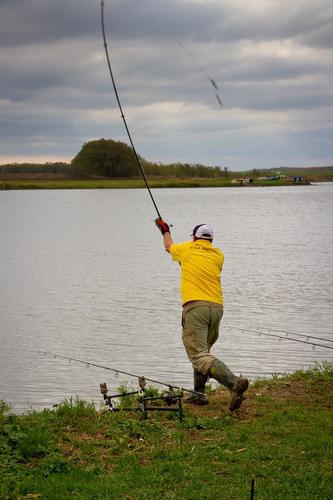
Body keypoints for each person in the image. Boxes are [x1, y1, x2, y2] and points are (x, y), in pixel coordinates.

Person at [155, 219, 249, 411]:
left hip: (196, 307)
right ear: (211, 240)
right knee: (203, 351)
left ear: (194, 237)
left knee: (199, 355)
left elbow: (168, 246)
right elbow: (200, 264)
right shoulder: (219, 255)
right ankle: (199, 394)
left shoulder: (187, 249)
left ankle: (234, 383)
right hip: (216, 308)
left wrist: (164, 230)